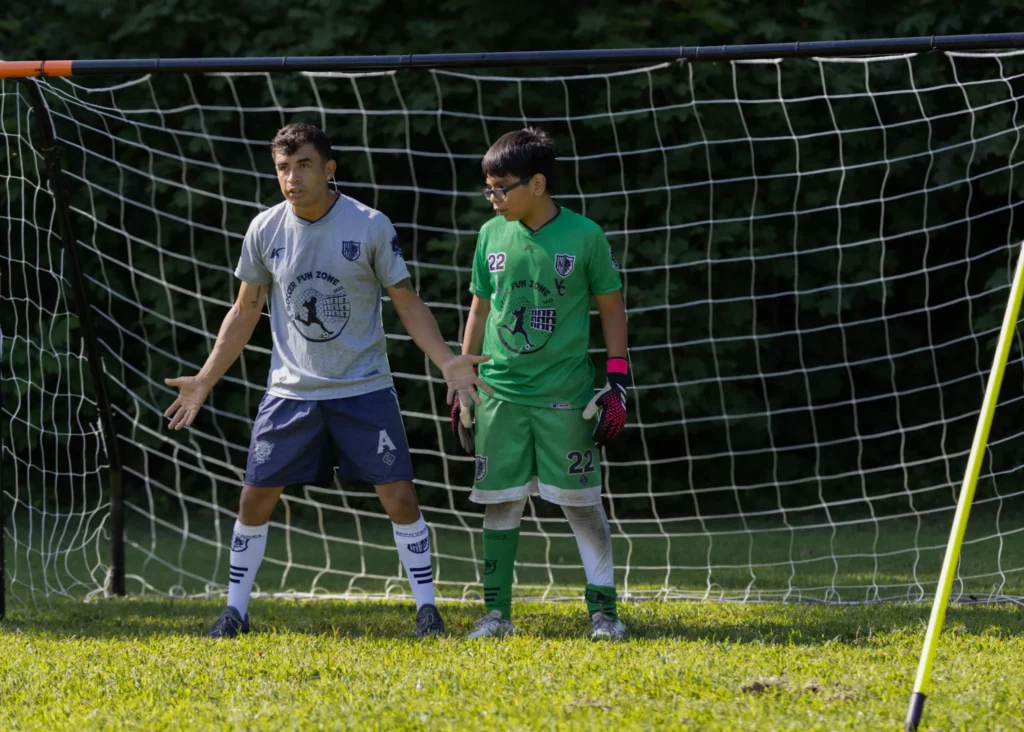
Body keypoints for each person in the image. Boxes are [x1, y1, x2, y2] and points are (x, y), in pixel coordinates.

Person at [164, 123, 489, 638]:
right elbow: (245, 310)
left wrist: (448, 361)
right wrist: (204, 379)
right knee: (254, 498)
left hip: (364, 387)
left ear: (329, 169)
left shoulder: (370, 225)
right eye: (283, 168)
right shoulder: (265, 229)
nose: (292, 178)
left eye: (304, 166)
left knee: (400, 497)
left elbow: (406, 301)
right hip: (290, 392)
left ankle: (428, 611)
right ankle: (234, 612)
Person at [452, 127, 630, 640]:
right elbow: (480, 307)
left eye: (501, 188)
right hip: (500, 395)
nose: (493, 198)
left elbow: (611, 308)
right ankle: (496, 615)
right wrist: (464, 373)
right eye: (488, 189)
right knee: (500, 502)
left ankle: (604, 614)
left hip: (565, 397)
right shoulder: (491, 235)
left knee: (582, 503)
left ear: (537, 183)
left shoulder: (585, 235)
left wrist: (617, 380)